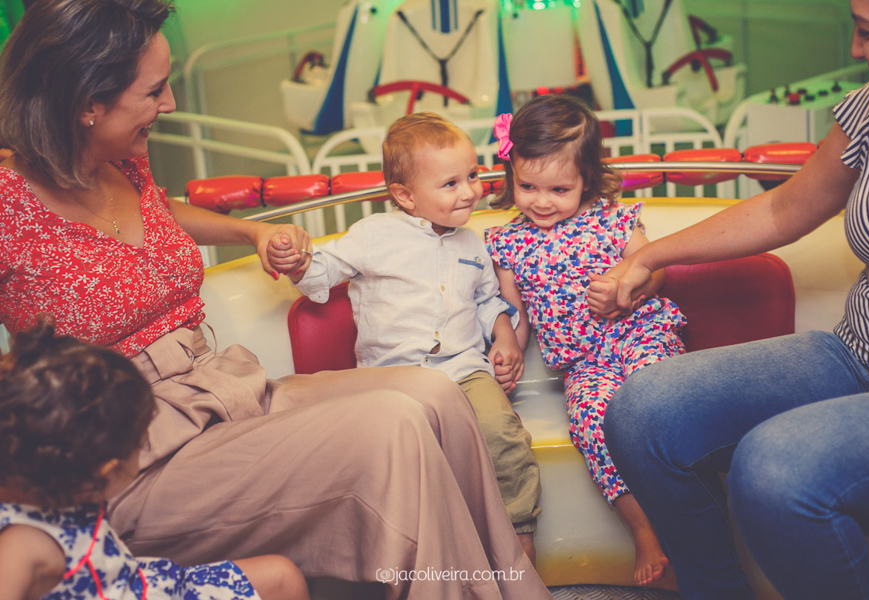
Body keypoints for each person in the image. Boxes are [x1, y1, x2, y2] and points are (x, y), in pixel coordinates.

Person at [0, 1, 553, 598]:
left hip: (216, 387)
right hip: (129, 453)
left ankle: (509, 590)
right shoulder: (8, 201)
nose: (171, 105)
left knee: (435, 393)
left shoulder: (123, 160)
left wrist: (252, 230)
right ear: (88, 102)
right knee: (392, 425)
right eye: (156, 90)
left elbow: (154, 212)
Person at [599, 1, 869, 598]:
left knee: (775, 465)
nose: (855, 51)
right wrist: (648, 255)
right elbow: (784, 207)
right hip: (859, 355)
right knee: (642, 409)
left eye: (867, 33)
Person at [268, 112, 543, 562]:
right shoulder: (375, 234)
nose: (471, 190)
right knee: (400, 459)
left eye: (472, 175)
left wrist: (506, 339)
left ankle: (519, 541)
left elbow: (489, 301)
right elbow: (323, 269)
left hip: (464, 372)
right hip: (391, 377)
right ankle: (420, 554)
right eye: (451, 183)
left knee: (503, 435)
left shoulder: (472, 244)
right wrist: (295, 260)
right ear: (405, 195)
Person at [483, 94, 686, 587]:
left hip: (642, 334)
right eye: (527, 186)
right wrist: (507, 344)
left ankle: (688, 518)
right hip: (583, 363)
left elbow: (654, 274)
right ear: (511, 174)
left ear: (586, 179)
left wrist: (626, 287)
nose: (541, 200)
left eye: (558, 188)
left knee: (656, 399)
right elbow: (517, 315)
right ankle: (643, 531)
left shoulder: (614, 218)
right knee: (590, 423)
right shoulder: (507, 242)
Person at [0, 320, 310, 600]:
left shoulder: (53, 477)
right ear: (105, 473)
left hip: (142, 583)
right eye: (141, 443)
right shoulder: (22, 545)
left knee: (282, 576)